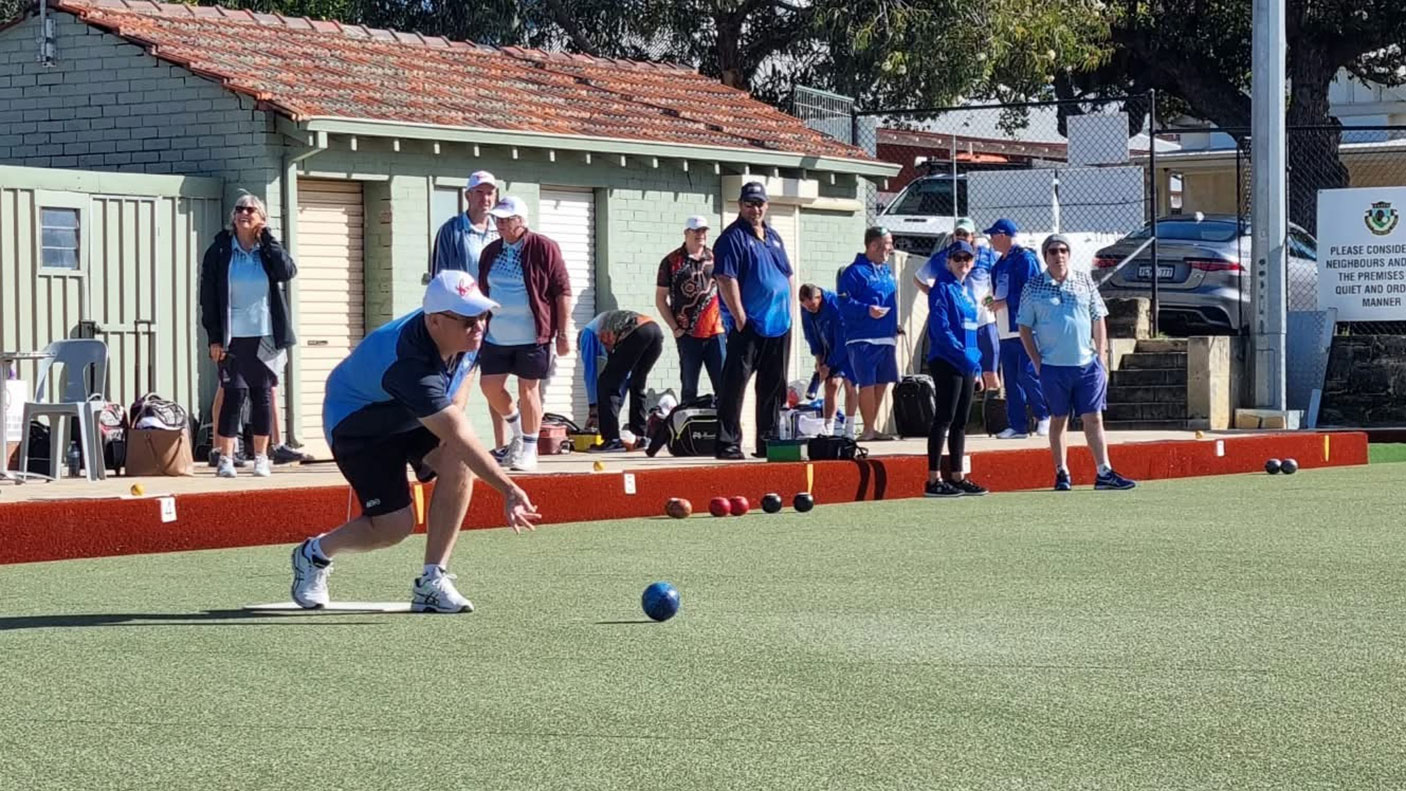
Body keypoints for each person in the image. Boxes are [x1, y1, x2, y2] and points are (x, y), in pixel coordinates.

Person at [290, 271, 540, 613]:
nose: (479, 326)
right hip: (360, 426)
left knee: (459, 457)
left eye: (483, 314)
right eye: (468, 320)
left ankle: (432, 580)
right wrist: (509, 489)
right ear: (435, 322)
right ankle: (314, 554)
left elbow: (463, 382)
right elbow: (457, 431)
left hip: (409, 415)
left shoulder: (467, 336)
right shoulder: (410, 365)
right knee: (394, 528)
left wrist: (451, 418)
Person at [1017, 234, 1137, 492]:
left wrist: (1101, 356)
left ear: (1069, 254)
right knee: (1058, 418)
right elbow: (1024, 327)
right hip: (1053, 367)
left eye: (1063, 250)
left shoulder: (1084, 281)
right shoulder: (1033, 287)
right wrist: (1037, 361)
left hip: (1086, 365)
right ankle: (1062, 471)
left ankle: (1103, 471)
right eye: (1052, 251)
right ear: (1045, 255)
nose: (1058, 255)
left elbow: (1098, 318)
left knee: (1093, 417)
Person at [198, 192, 296, 479]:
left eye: (251, 210)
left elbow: (287, 271)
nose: (244, 213)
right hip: (233, 336)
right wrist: (214, 338)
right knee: (234, 394)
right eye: (239, 208)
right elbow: (208, 297)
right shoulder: (220, 250)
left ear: (261, 218)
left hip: (265, 334)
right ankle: (226, 457)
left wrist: (268, 240)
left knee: (262, 396)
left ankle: (262, 457)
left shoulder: (267, 250)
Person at [476, 196, 573, 472]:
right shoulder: (491, 251)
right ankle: (519, 432)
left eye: (506, 220)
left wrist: (563, 333)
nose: (500, 224)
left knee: (528, 389)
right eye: (498, 219)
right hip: (496, 334)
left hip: (533, 334)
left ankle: (529, 449)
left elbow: (561, 290)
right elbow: (482, 291)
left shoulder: (544, 248)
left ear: (521, 221)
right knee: (489, 386)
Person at [713, 182, 794, 460]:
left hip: (779, 323)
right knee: (735, 383)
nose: (755, 209)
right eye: (749, 204)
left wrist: (789, 308)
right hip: (748, 324)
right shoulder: (731, 238)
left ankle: (767, 441)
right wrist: (739, 316)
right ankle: (728, 443)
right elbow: (725, 277)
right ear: (740, 206)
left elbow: (787, 273)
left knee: (774, 384)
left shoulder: (773, 236)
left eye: (759, 204)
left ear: (766, 206)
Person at [923, 241, 988, 497]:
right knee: (944, 418)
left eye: (968, 259)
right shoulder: (941, 288)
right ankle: (933, 478)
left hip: (968, 362)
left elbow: (971, 332)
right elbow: (942, 330)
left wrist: (978, 365)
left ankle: (958, 475)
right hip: (947, 360)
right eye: (958, 258)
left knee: (961, 421)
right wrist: (963, 357)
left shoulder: (967, 292)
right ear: (949, 261)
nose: (963, 263)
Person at [914, 217, 1000, 391]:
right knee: (965, 370)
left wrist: (993, 298)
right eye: (958, 233)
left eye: (965, 234)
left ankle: (993, 414)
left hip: (983, 321)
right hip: (959, 324)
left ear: (972, 236)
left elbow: (999, 280)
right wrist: (935, 294)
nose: (962, 261)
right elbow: (918, 278)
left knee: (990, 373)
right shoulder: (943, 257)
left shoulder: (987, 255)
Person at [985, 218, 1050, 439]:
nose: (991, 241)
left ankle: (1044, 417)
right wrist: (993, 302)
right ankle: (1018, 425)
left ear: (1002, 235)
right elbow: (998, 291)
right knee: (1011, 378)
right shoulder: (997, 265)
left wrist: (1006, 302)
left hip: (1024, 327)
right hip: (1004, 328)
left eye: (993, 236)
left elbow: (1031, 290)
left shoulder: (1025, 259)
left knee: (1028, 374)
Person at [838, 226, 899, 441]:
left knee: (882, 382)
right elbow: (844, 302)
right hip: (863, 338)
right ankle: (867, 430)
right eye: (887, 244)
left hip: (886, 336)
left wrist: (895, 326)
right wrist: (867, 310)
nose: (890, 249)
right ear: (873, 245)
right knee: (867, 382)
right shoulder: (854, 272)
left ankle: (872, 426)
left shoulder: (886, 271)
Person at [655, 215, 724, 401]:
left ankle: (726, 428)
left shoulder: (715, 258)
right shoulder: (671, 262)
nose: (701, 235)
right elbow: (661, 299)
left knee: (724, 386)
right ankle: (688, 427)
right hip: (688, 334)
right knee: (689, 387)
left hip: (716, 331)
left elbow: (729, 290)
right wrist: (675, 328)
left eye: (704, 231)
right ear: (686, 233)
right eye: (696, 231)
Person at [578, 310, 664, 452]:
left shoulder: (587, 335)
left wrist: (594, 407)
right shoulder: (610, 330)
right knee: (637, 384)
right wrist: (612, 409)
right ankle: (642, 437)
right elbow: (624, 378)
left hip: (637, 333)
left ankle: (612, 440)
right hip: (655, 331)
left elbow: (590, 373)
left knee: (605, 384)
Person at [799, 283, 857, 437]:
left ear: (819, 297)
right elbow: (810, 334)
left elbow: (842, 340)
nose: (810, 309)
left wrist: (829, 364)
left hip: (848, 346)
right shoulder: (806, 309)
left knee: (849, 385)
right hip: (829, 346)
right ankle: (828, 428)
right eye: (806, 307)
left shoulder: (835, 306)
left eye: (813, 305)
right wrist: (819, 358)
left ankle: (850, 429)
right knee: (831, 386)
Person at [430, 170, 499, 277]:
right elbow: (438, 277)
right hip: (461, 293)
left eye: (489, 193)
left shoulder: (501, 231)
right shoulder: (450, 230)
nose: (485, 198)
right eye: (479, 192)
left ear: (495, 197)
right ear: (468, 196)